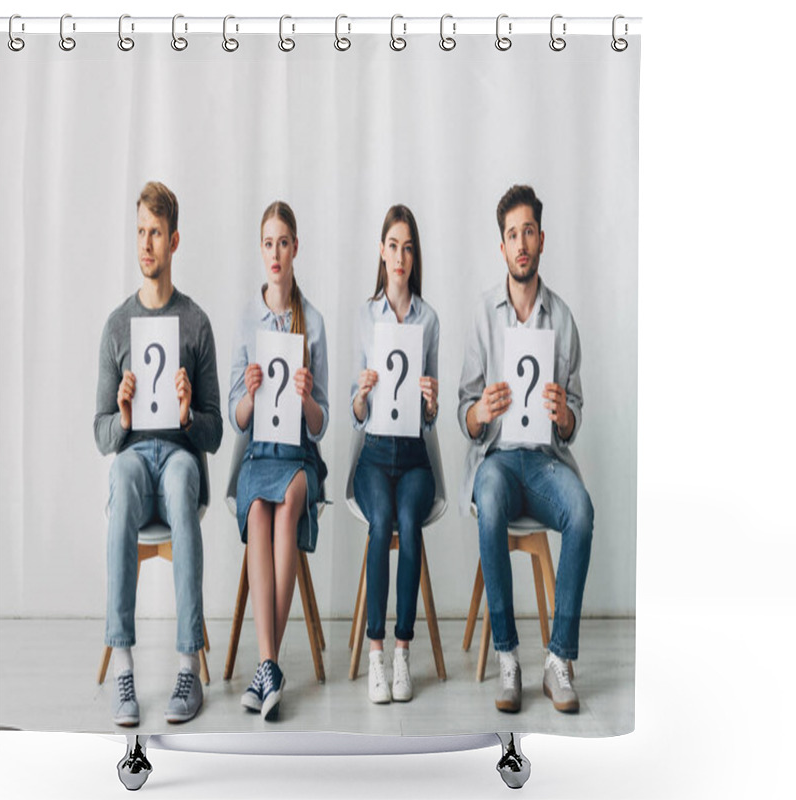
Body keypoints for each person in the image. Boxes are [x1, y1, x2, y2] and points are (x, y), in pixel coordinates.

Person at [457, 185, 594, 714]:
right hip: (497, 459)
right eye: (512, 234)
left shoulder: (562, 319)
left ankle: (558, 660)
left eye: (528, 232)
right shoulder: (481, 315)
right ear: (503, 247)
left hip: (544, 462)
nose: (521, 243)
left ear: (541, 241)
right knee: (487, 500)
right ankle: (508, 656)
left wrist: (565, 415)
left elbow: (575, 413)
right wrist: (481, 411)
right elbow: (464, 415)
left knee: (581, 511)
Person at [94, 181, 223, 726]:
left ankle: (187, 667)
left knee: (180, 478)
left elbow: (215, 434)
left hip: (177, 456)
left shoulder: (195, 323)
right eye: (140, 233)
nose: (146, 244)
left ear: (175, 241)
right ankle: (123, 663)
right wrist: (122, 418)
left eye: (156, 234)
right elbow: (101, 435)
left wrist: (189, 412)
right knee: (122, 475)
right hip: (133, 456)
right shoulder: (117, 325)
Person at [228, 201, 329, 721]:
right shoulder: (247, 318)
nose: (275, 252)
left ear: (295, 249)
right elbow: (236, 417)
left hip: (297, 456)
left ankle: (265, 668)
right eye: (268, 243)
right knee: (258, 513)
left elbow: (322, 422)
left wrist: (309, 395)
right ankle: (269, 664)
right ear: (261, 250)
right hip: (257, 455)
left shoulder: (313, 323)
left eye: (283, 242)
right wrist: (247, 393)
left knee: (288, 503)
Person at [350, 205, 440, 704]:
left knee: (409, 518)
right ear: (381, 253)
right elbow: (354, 409)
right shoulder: (365, 317)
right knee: (380, 520)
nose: (400, 255)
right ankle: (376, 655)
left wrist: (431, 402)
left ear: (414, 255)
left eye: (408, 247)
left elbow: (430, 419)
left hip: (413, 457)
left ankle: (404, 650)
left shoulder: (430, 319)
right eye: (392, 245)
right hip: (373, 453)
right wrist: (362, 394)